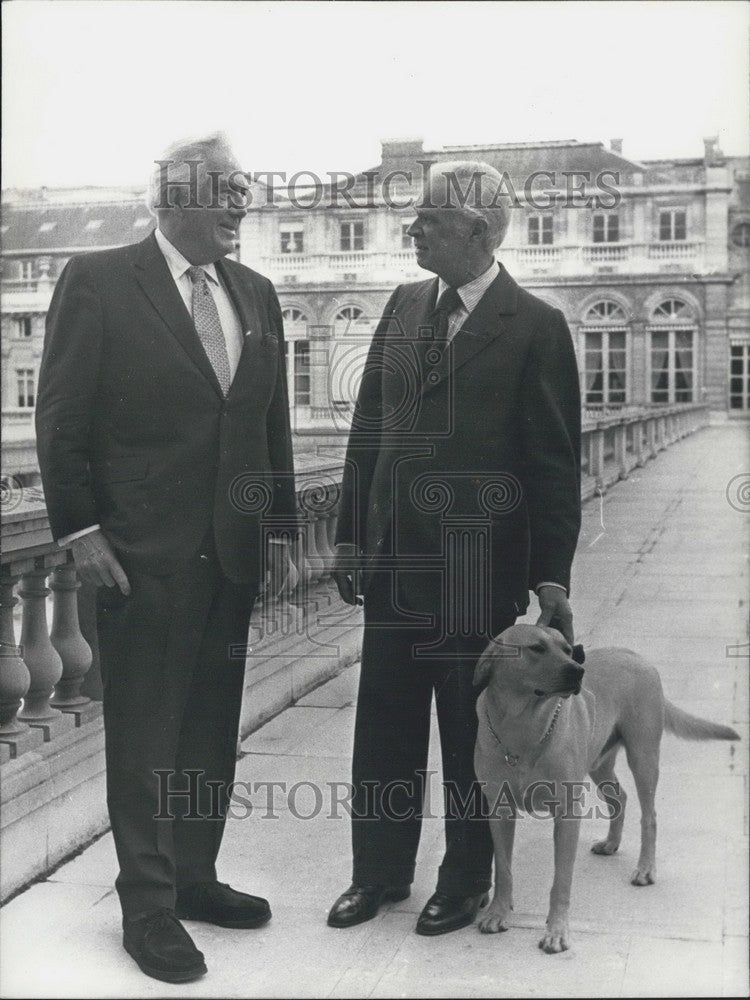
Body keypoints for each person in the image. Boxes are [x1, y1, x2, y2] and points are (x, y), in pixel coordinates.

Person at [35, 133, 297, 983]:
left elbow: (267, 428)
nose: (241, 204)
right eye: (226, 190)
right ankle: (146, 909)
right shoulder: (100, 280)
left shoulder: (255, 293)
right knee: (145, 735)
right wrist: (81, 534)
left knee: (209, 730)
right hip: (137, 558)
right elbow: (62, 421)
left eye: (246, 189)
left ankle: (193, 878)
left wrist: (282, 530)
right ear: (174, 197)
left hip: (231, 555)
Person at [328, 160, 581, 936]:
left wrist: (551, 581)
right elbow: (367, 433)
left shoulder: (535, 325)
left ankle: (466, 879)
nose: (414, 228)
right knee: (384, 726)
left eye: (428, 219)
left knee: (474, 734)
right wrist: (347, 537)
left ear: (477, 231)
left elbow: (552, 464)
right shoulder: (402, 307)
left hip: (483, 572)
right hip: (396, 565)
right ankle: (377, 874)